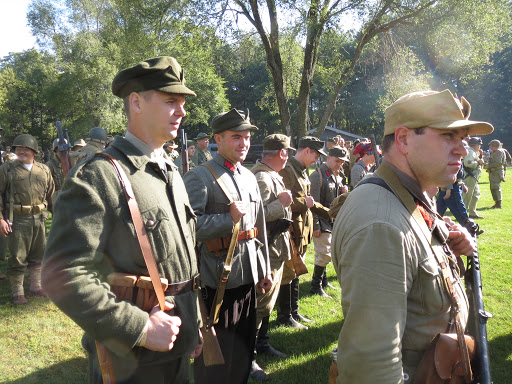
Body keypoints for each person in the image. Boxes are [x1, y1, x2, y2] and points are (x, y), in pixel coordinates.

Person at [42, 56, 202, 383]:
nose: (182, 111)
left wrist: (192, 325)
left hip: (177, 345)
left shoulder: (170, 172)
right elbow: (63, 273)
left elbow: (181, 267)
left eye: (182, 102)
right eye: (171, 101)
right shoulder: (100, 174)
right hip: (132, 358)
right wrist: (140, 328)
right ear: (136, 103)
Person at [332, 89, 492, 383]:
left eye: (464, 139)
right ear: (403, 139)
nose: (461, 149)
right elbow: (371, 365)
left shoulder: (407, 194)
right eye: (448, 136)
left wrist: (448, 245)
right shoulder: (381, 223)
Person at [184, 108, 272, 384]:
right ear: (217, 140)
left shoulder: (248, 176)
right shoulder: (200, 176)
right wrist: (227, 219)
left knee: (243, 349)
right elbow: (189, 228)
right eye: (236, 137)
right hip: (216, 281)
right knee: (215, 356)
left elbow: (260, 230)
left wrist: (265, 267)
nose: (243, 143)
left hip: (247, 276)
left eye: (246, 137)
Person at [250, 134, 293, 381]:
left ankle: (262, 344)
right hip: (266, 251)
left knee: (267, 304)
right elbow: (258, 216)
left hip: (276, 249)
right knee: (258, 304)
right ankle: (249, 356)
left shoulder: (270, 175)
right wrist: (281, 203)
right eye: (287, 152)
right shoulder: (262, 178)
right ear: (282, 153)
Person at [276, 136, 330, 330]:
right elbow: (282, 201)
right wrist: (304, 204)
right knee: (289, 274)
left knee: (296, 272)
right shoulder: (287, 170)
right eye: (315, 154)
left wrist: (329, 212)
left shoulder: (302, 170)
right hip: (291, 231)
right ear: (307, 150)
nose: (316, 159)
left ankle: (294, 311)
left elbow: (308, 201)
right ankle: (284, 315)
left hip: (302, 231)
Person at [0, 134, 55, 305]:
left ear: (34, 151)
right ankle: (18, 292)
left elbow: (52, 195)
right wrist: (1, 219)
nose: (21, 151)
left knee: (38, 255)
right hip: (17, 219)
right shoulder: (7, 169)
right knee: (17, 257)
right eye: (18, 148)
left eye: (26, 149)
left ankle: (35, 286)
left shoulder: (44, 170)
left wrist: (60, 216)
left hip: (39, 218)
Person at [309, 146, 349, 298]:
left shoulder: (337, 176)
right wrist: (316, 225)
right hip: (322, 220)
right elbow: (313, 204)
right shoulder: (317, 176)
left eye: (342, 162)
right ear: (328, 158)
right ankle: (315, 285)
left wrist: (345, 194)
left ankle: (323, 281)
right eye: (337, 161)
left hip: (333, 220)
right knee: (324, 254)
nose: (339, 165)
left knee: (329, 252)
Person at [463, 136, 485, 218]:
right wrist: (478, 163)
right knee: (467, 196)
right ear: (474, 145)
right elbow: (468, 163)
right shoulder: (470, 152)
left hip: (473, 177)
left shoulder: (473, 152)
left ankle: (472, 212)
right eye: (479, 145)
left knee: (476, 194)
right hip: (469, 177)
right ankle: (463, 214)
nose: (480, 146)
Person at [486, 139, 506, 208]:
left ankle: (498, 203)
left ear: (495, 146)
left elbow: (498, 162)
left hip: (496, 172)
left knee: (495, 187)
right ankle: (497, 202)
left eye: (491, 146)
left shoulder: (498, 152)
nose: (490, 147)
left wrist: (488, 166)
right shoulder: (497, 152)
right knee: (494, 187)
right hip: (494, 172)